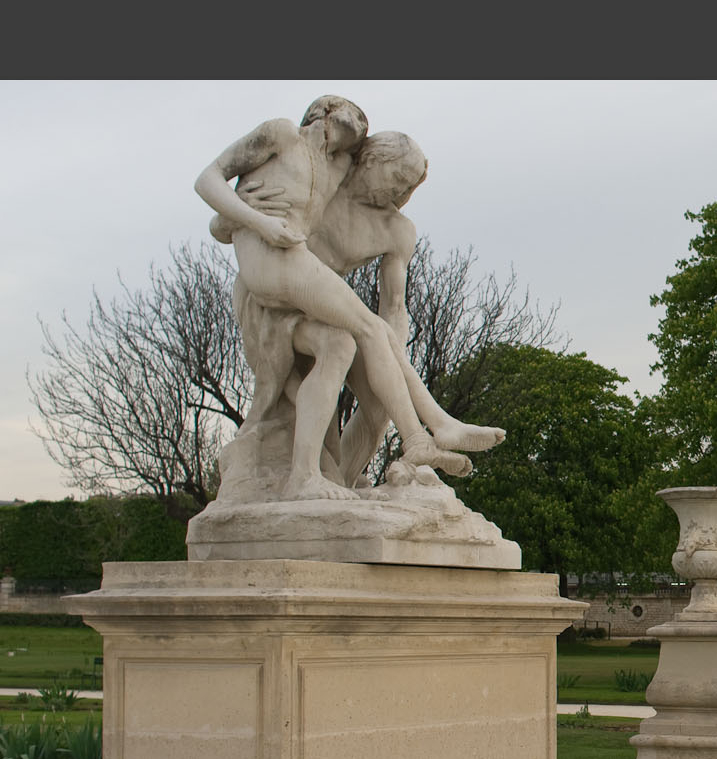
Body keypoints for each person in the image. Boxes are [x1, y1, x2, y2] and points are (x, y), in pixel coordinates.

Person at [195, 96, 497, 500]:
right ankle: (428, 430)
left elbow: (395, 306)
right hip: (274, 299)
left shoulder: (393, 226)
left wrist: (396, 357)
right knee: (366, 333)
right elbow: (225, 217)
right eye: (393, 178)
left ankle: (340, 484)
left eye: (406, 187)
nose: (396, 191)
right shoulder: (322, 168)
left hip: (324, 304)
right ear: (369, 161)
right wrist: (255, 219)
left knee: (375, 397)